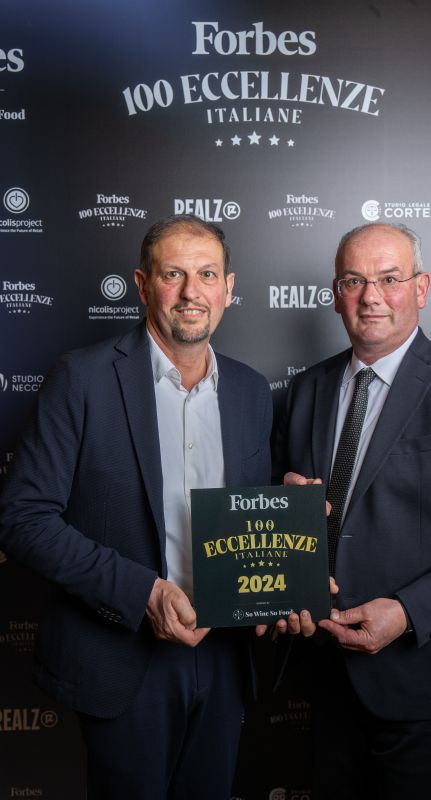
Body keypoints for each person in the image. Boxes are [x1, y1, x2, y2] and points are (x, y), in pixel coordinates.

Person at [0, 214, 272, 799]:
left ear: (229, 288)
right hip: (123, 654)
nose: (192, 292)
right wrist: (143, 592)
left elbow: (254, 515)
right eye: (173, 274)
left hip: (224, 656)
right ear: (143, 285)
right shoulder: (82, 378)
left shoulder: (252, 390)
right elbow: (24, 519)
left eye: (207, 275)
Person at [273, 222, 431, 800]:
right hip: (328, 678)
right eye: (354, 281)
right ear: (336, 294)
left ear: (422, 288)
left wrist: (409, 612)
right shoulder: (307, 390)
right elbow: (294, 512)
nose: (371, 296)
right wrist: (285, 496)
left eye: (389, 279)